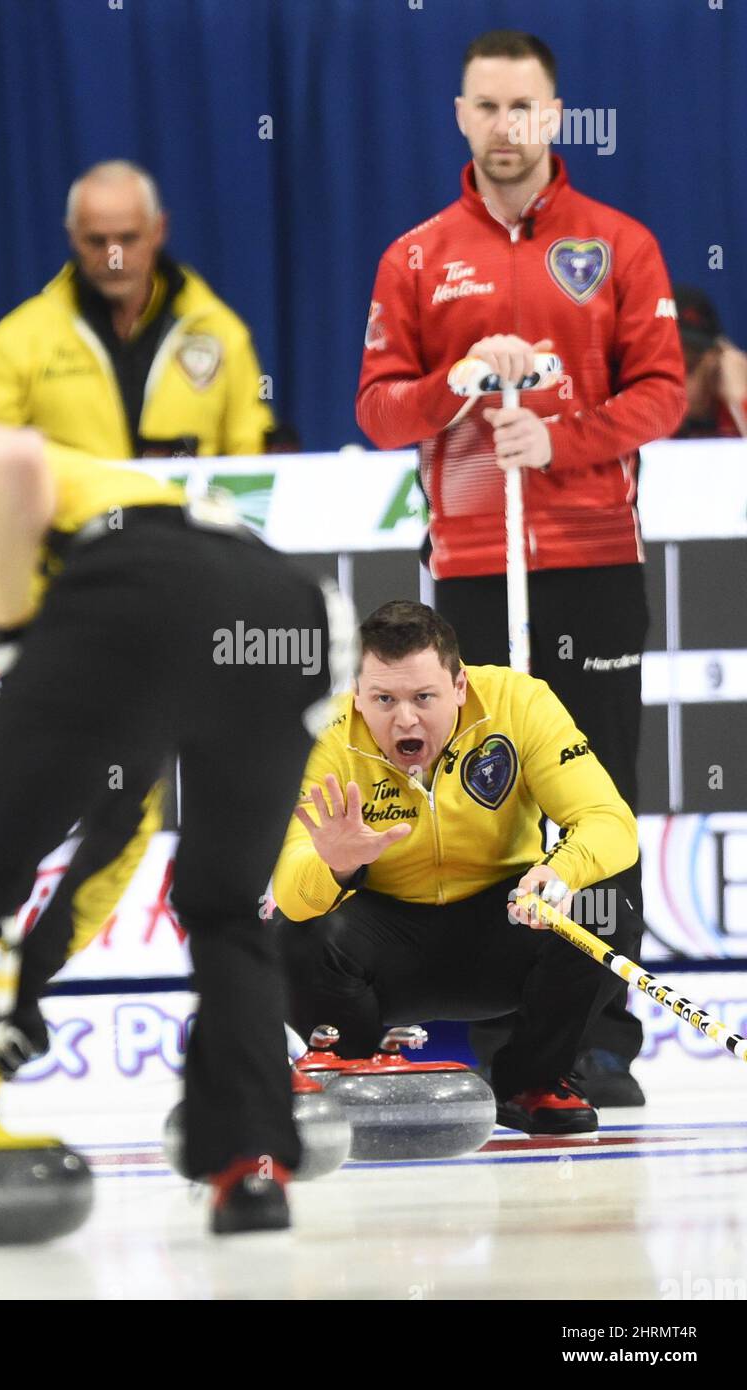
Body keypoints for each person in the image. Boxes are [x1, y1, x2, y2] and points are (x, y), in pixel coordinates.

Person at [0, 420, 345, 1257]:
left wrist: (15, 634)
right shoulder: (113, 522)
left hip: (143, 588)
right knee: (226, 909)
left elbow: (11, 459)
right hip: (287, 609)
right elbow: (114, 824)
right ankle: (249, 1167)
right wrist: (29, 987)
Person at [355, 29, 687, 1107]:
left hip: (592, 560)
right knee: (475, 801)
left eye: (524, 108)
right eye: (487, 108)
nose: (507, 128)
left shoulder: (619, 244)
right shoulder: (415, 257)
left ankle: (598, 1039)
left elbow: (665, 393)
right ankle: (489, 1026)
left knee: (597, 800)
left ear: (556, 113)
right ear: (462, 115)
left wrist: (563, 438)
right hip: (468, 570)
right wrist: (452, 383)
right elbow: (375, 407)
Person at [275, 601, 642, 1135]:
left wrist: (558, 872)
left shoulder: (519, 702)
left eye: (424, 697)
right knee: (293, 935)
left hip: (506, 919)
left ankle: (532, 1081)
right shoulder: (326, 735)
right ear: (357, 694)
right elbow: (289, 892)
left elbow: (610, 822)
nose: (405, 719)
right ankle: (357, 1067)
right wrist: (333, 866)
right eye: (383, 699)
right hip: (384, 936)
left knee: (606, 911)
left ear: (460, 687)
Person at [0, 160, 275, 457]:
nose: (113, 256)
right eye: (96, 241)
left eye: (128, 238)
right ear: (72, 235)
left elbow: (253, 466)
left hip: (187, 506)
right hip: (75, 507)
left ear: (159, 229)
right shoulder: (19, 339)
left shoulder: (222, 333)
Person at [672, 285, 747, 439]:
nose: (683, 385)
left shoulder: (733, 406)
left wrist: (741, 398)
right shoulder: (647, 416)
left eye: (691, 367)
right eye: (672, 369)